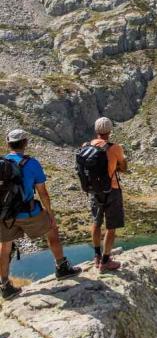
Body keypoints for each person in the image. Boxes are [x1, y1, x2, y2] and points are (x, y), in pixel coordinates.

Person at [0, 129, 80, 300]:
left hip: (6, 215)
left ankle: (5, 285)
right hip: (28, 212)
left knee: (5, 247)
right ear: (25, 143)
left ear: (8, 144)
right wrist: (50, 213)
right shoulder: (32, 163)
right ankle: (62, 267)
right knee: (52, 230)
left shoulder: (2, 162)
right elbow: (42, 192)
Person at [88, 117, 127, 273]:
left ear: (96, 131)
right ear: (109, 131)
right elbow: (123, 168)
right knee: (111, 227)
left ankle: (96, 256)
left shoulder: (86, 146)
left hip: (94, 191)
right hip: (112, 190)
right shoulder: (115, 148)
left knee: (96, 223)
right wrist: (120, 160)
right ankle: (105, 262)